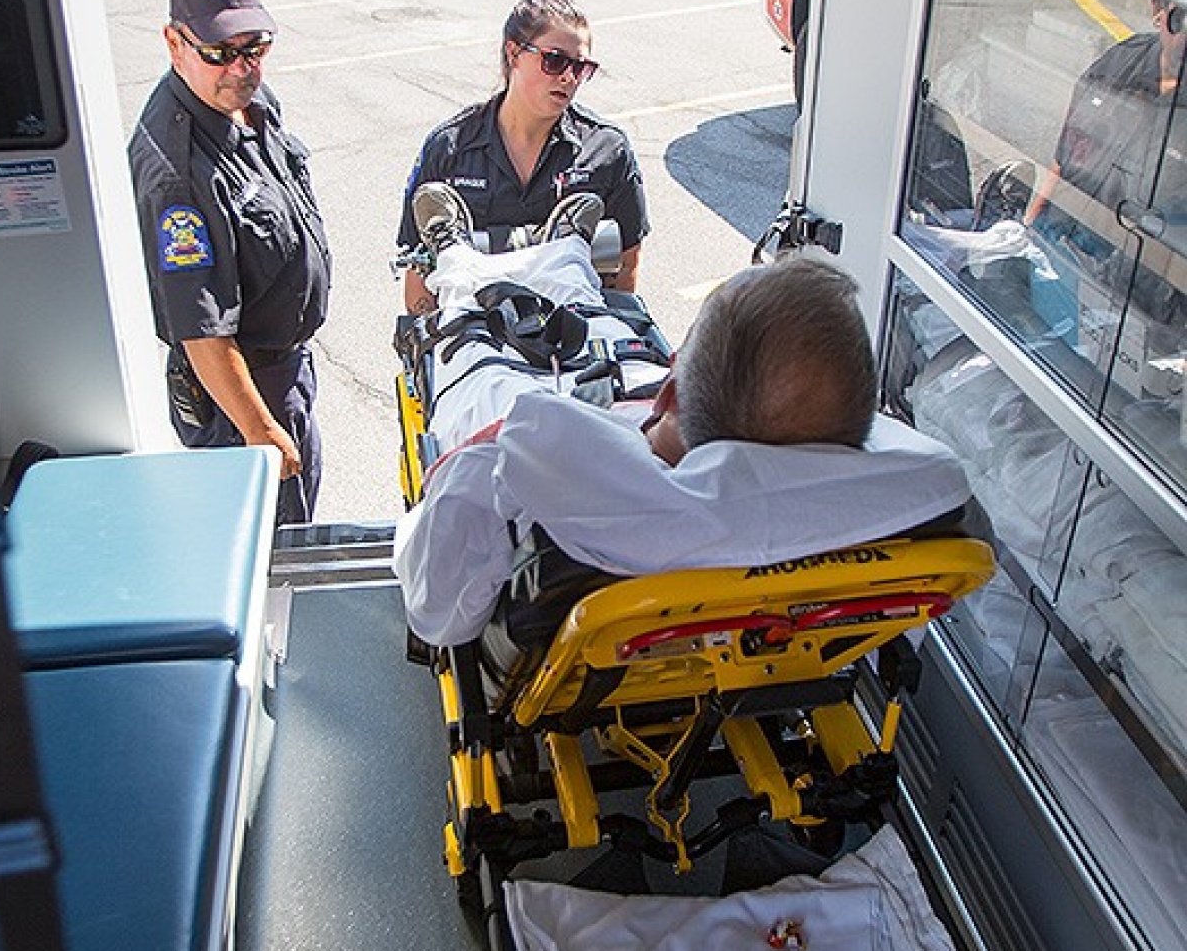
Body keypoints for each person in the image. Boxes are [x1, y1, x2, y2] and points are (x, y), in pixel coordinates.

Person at [393, 189, 972, 647]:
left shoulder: (508, 455)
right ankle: (566, 250)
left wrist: (473, 467)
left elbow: (437, 615)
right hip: (637, 400)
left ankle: (456, 262)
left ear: (672, 391)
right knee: (604, 328)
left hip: (549, 418)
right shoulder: (907, 494)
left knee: (477, 343)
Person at [129, 0, 331, 524]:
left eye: (253, 48)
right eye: (219, 53)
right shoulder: (179, 176)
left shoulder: (247, 100)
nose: (241, 67)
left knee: (298, 525)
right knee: (271, 556)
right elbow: (203, 335)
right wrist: (259, 429)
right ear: (175, 44)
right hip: (240, 402)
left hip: (285, 373)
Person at [396, 0, 649, 318]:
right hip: (475, 332)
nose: (568, 78)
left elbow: (625, 270)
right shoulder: (450, 148)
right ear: (514, 53)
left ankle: (563, 241)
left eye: (581, 67)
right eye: (555, 61)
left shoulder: (606, 150)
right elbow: (419, 274)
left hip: (570, 326)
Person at [1024, 0, 1185, 336]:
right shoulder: (1119, 65)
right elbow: (1062, 160)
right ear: (1159, 12)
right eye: (1179, 15)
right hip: (1063, 252)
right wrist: (1029, 226)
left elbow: (1164, 211)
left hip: (1140, 301)